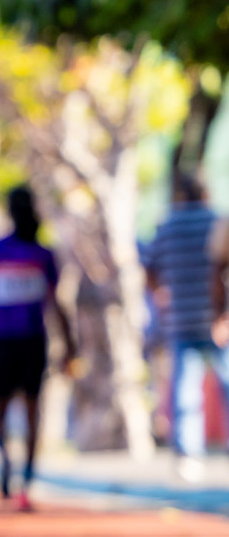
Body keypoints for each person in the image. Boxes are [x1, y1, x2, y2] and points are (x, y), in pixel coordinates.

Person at [0, 184, 75, 510]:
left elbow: (55, 301)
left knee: (8, 410)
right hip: (17, 341)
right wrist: (70, 344)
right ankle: (17, 473)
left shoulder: (39, 254)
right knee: (27, 411)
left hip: (16, 341)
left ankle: (19, 473)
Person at [144, 173, 229, 482]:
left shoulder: (167, 225)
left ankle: (188, 457)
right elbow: (220, 270)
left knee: (184, 388)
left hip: (180, 316)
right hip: (216, 317)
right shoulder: (217, 221)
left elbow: (149, 266)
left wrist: (161, 294)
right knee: (226, 382)